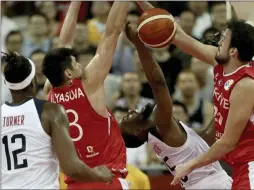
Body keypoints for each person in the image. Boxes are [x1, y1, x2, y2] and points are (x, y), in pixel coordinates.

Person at [136, 2, 254, 189]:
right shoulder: (220, 61)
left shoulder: (245, 86)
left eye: (224, 39)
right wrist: (143, 4)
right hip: (242, 167)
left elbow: (227, 142)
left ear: (233, 51)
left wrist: (190, 165)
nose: (219, 41)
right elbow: (177, 33)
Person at [118, 23, 232, 189]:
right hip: (212, 184)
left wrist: (225, 100)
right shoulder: (160, 125)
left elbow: (205, 138)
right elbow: (158, 83)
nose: (129, 111)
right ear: (136, 131)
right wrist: (138, 44)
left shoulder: (163, 135)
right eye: (126, 119)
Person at [42, 2, 130, 189]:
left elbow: (63, 44)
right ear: (68, 73)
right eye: (76, 63)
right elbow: (112, 32)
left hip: (75, 185)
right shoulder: (88, 83)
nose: (81, 65)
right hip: (107, 179)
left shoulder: (49, 91)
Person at [1, 52, 113, 188]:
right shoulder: (50, 112)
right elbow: (71, 168)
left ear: (6, 83)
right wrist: (98, 175)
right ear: (33, 81)